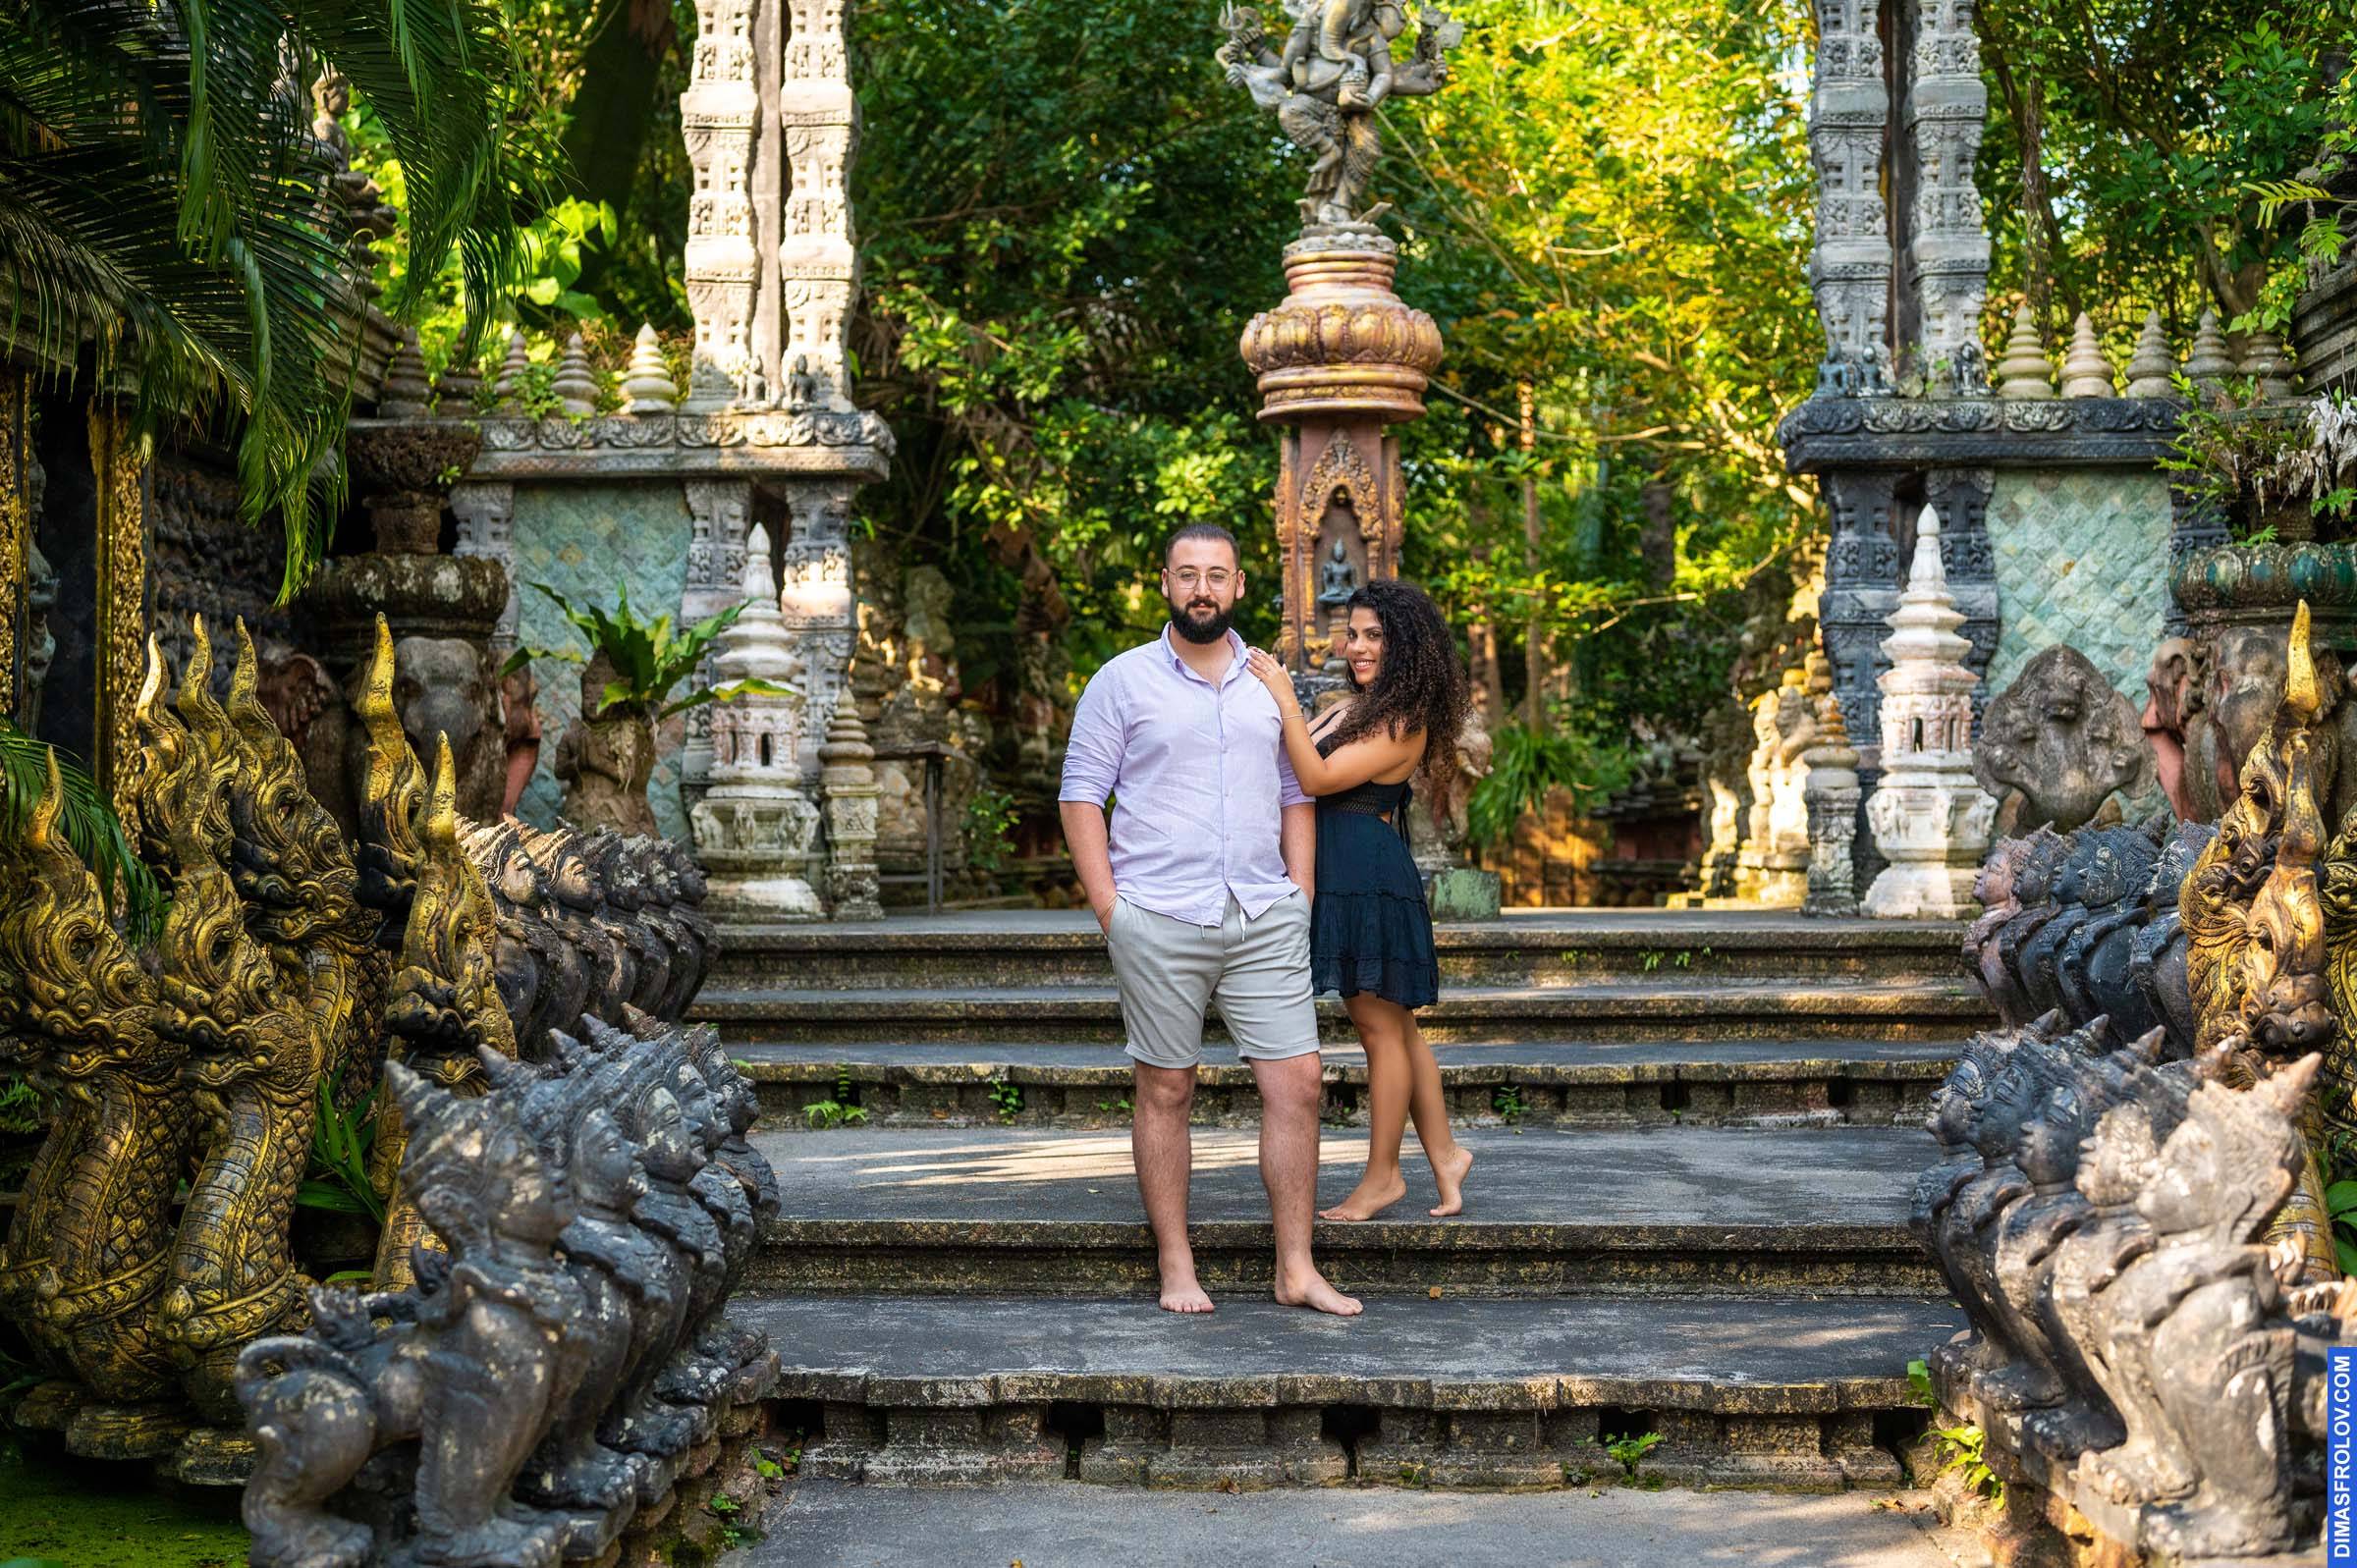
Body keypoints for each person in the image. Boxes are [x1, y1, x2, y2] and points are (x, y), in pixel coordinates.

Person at [1058, 523, 1362, 1318]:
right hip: (1158, 913)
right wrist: (1110, 908)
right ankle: (1175, 1260)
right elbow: (1081, 793)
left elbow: (1296, 791)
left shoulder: (1269, 682)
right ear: (1165, 582)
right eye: (1188, 574)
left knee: (1299, 1082)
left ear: (1238, 585)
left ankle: (1295, 1266)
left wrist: (1300, 892)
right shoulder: (1121, 681)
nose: (1203, 588)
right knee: (1166, 1087)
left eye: (1217, 575)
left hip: (1262, 911)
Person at [1244, 577, 1473, 1220]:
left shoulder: (1402, 721)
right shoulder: (1356, 706)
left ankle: (1383, 1176)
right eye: (1353, 634)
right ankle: (1446, 1154)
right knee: (1397, 1027)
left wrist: (1286, 696)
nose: (1358, 646)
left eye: (1375, 635)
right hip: (1344, 873)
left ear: (1406, 645)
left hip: (1368, 879)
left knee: (1378, 1031)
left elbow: (1316, 777)